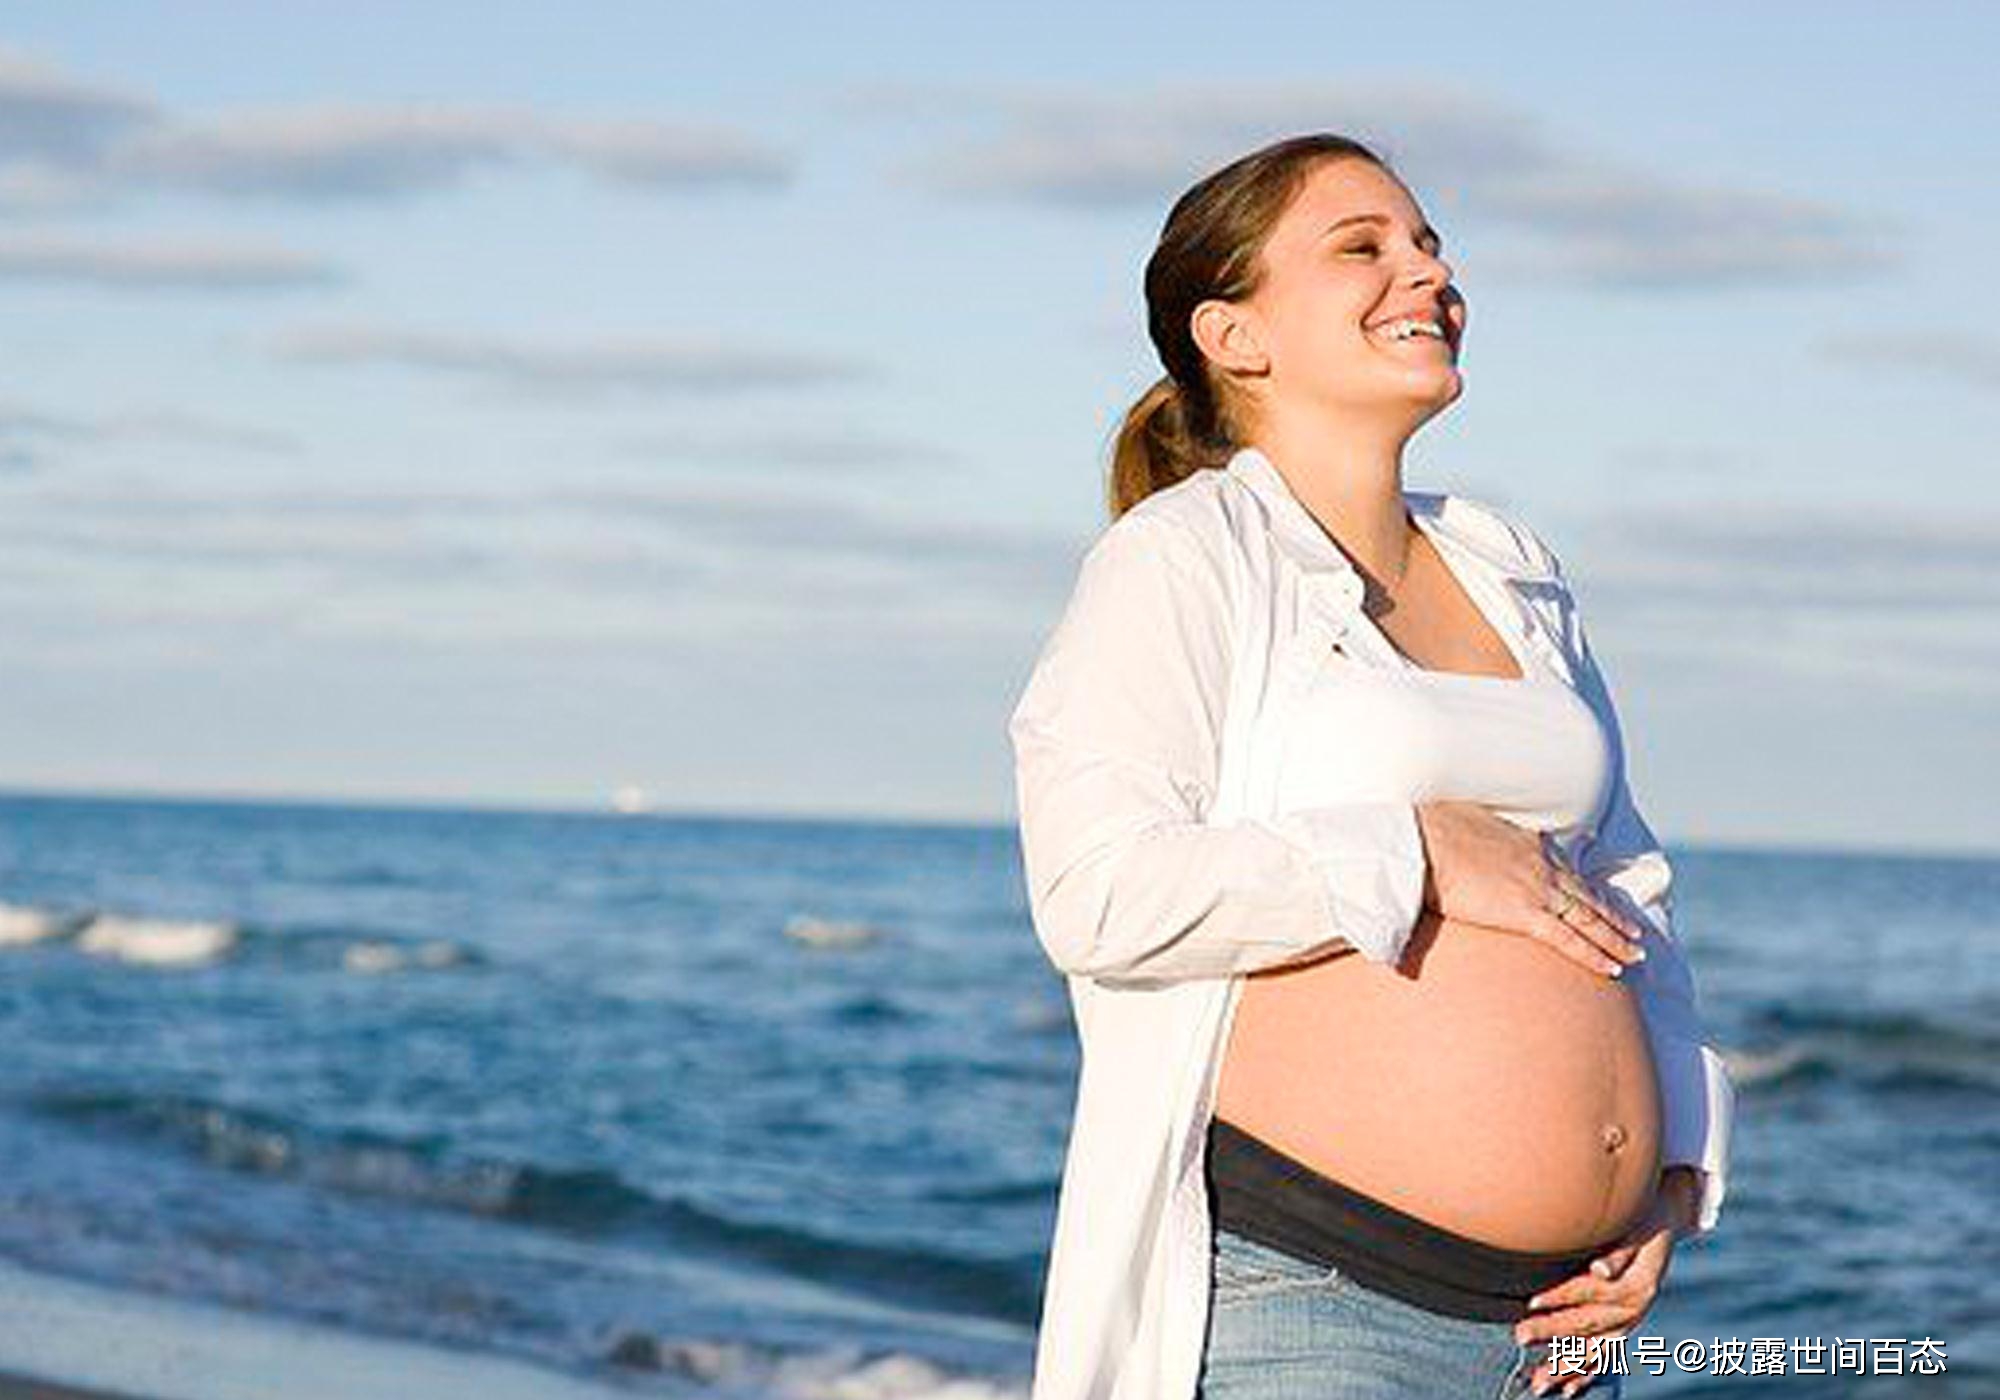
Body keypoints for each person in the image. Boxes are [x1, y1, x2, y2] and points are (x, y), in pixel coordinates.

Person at [1006, 133, 1735, 1400]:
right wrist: (1412, 847)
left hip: (1558, 1336)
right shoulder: (1183, 557)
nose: (1427, 273)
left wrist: (1670, 1168)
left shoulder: (1509, 563)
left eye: (1429, 244)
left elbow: (1624, 887)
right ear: (1232, 335)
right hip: (1317, 1307)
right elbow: (1096, 894)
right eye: (1363, 248)